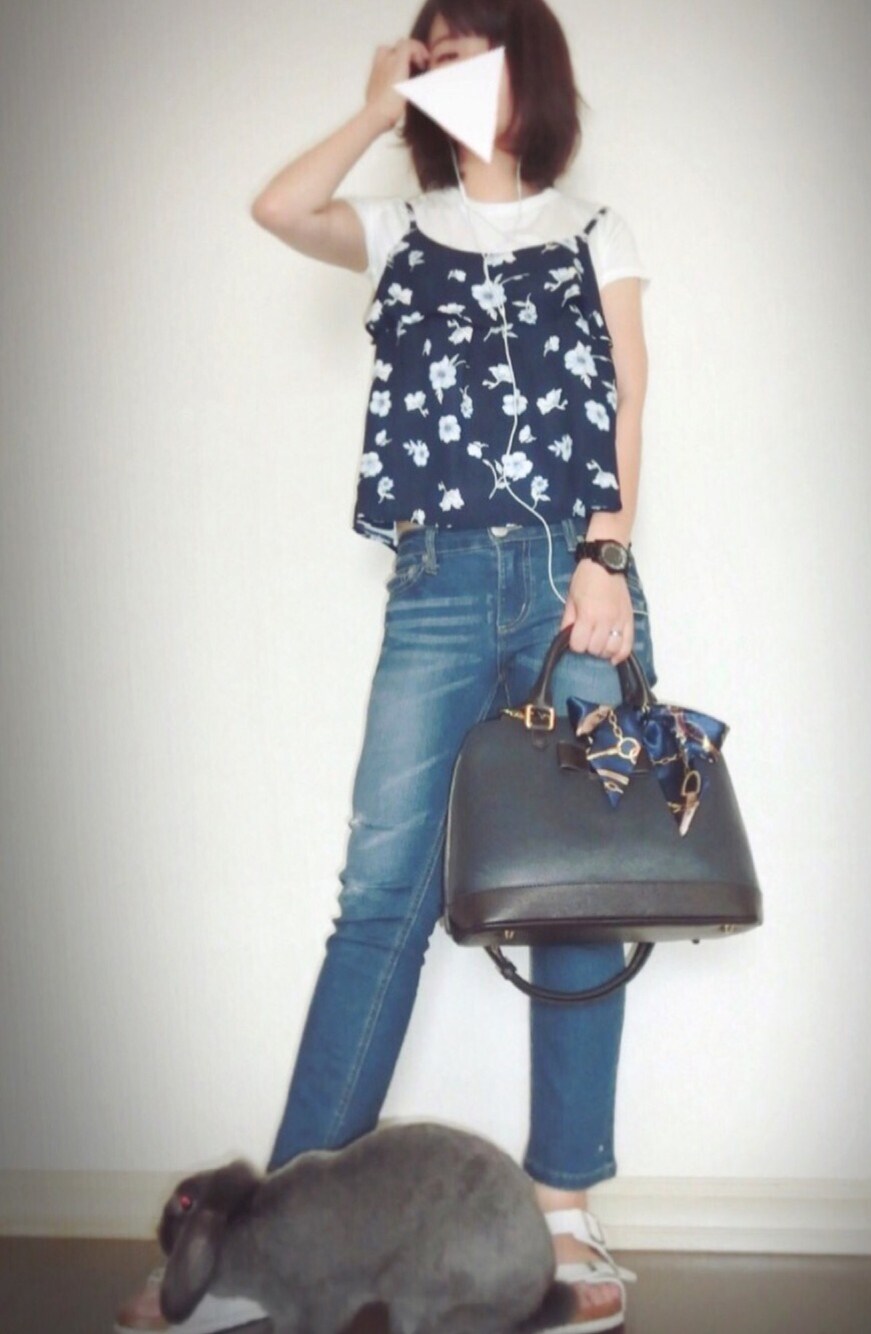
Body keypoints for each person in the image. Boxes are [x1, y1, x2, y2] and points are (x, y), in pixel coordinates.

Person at [114, 2, 656, 1330]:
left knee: (577, 892)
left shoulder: (596, 230)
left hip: (571, 578)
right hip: (434, 585)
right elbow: (277, 207)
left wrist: (605, 559)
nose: (451, 70)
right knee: (378, 902)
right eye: (434, 52)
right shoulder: (398, 231)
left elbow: (628, 400)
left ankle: (562, 1211)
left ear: (529, 70)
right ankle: (262, 1242)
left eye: (474, 48)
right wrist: (375, 106)